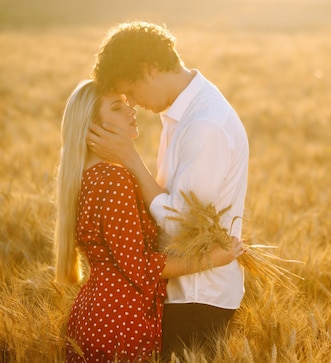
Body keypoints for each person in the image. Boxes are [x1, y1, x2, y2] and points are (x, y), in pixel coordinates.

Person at [87, 21, 249, 355]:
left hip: (197, 296)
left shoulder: (204, 124)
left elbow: (182, 225)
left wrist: (130, 159)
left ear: (148, 69)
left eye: (130, 90)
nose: (131, 102)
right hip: (182, 290)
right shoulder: (183, 113)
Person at [54, 80, 245, 362]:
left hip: (97, 311)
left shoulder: (88, 177)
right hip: (121, 318)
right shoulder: (114, 179)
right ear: (93, 127)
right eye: (117, 107)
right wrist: (212, 259)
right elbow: (138, 266)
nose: (131, 110)